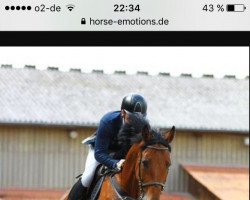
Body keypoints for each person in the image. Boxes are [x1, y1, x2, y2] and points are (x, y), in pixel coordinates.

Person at [68, 93, 148, 200]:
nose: (135, 123)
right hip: (101, 151)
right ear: (123, 113)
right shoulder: (108, 121)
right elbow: (99, 154)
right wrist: (115, 163)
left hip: (123, 154)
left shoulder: (144, 126)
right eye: (132, 118)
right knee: (88, 176)